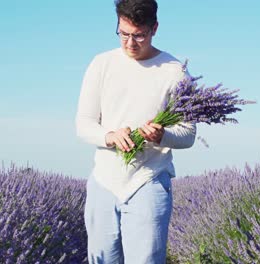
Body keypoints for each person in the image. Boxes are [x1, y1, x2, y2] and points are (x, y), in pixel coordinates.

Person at [75, 0, 196, 263]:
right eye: (124, 34)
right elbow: (84, 123)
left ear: (155, 28)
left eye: (139, 35)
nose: (130, 43)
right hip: (103, 182)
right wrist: (110, 137)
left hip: (148, 180)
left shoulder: (175, 71)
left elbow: (188, 134)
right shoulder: (102, 63)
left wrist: (162, 135)